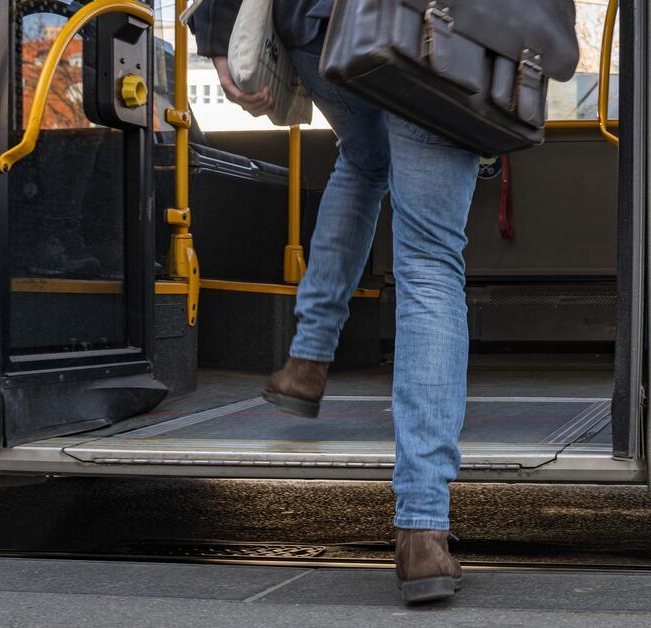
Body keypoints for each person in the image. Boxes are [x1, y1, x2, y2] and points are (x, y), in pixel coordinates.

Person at [190, 0, 479, 603]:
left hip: (325, 27)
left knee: (365, 157)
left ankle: (307, 361)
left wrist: (219, 35)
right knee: (429, 264)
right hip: (441, 29)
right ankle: (422, 529)